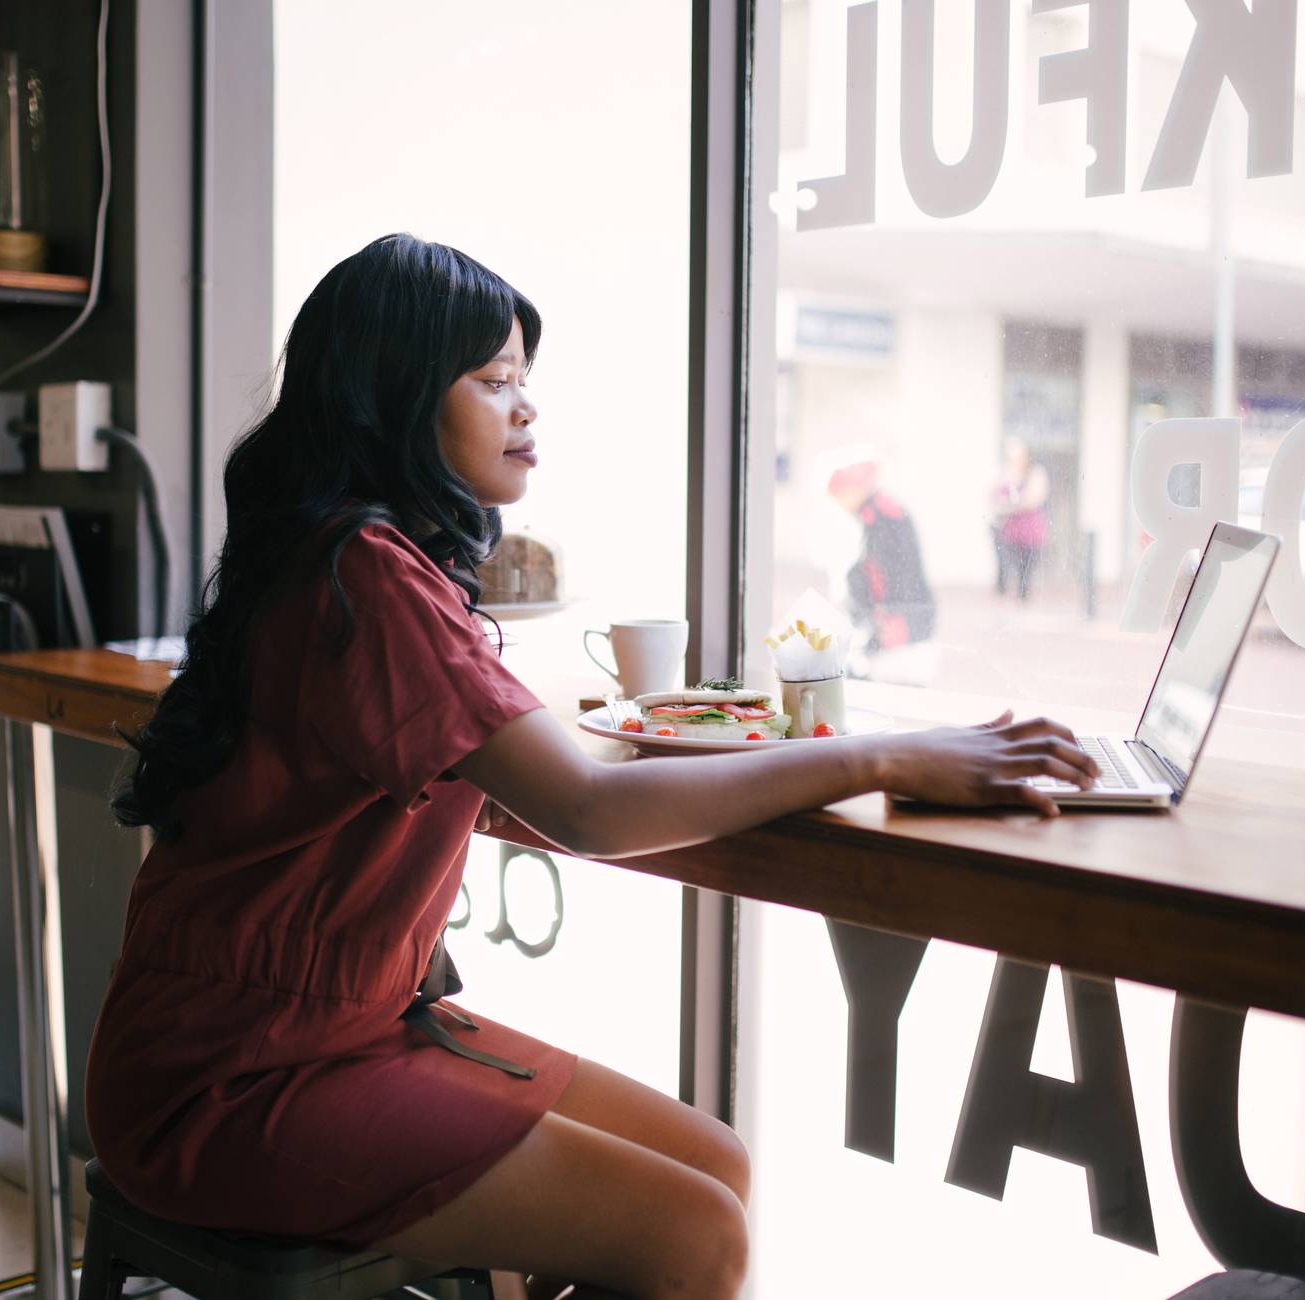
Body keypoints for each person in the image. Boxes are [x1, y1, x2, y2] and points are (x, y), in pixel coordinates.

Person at [86, 233, 1098, 1300]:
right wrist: (884, 754)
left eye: (526, 382)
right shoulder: (366, 573)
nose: (526, 409)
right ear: (392, 395)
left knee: (717, 1169)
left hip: (311, 1025)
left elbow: (506, 774)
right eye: (494, 380)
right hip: (238, 1072)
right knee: (692, 1231)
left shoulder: (351, 555)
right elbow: (587, 808)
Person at [826, 452, 937, 662]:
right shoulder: (873, 512)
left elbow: (887, 573)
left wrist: (883, 620)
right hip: (899, 615)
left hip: (902, 617)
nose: (839, 504)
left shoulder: (881, 516)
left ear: (855, 489)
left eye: (840, 495)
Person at [989, 435, 1051, 601]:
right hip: (1010, 529)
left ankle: (1023, 595)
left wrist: (1011, 504)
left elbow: (1033, 499)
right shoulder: (1006, 473)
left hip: (1030, 528)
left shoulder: (1036, 473)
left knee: (1027, 566)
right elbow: (994, 497)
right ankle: (1010, 592)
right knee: (1010, 562)